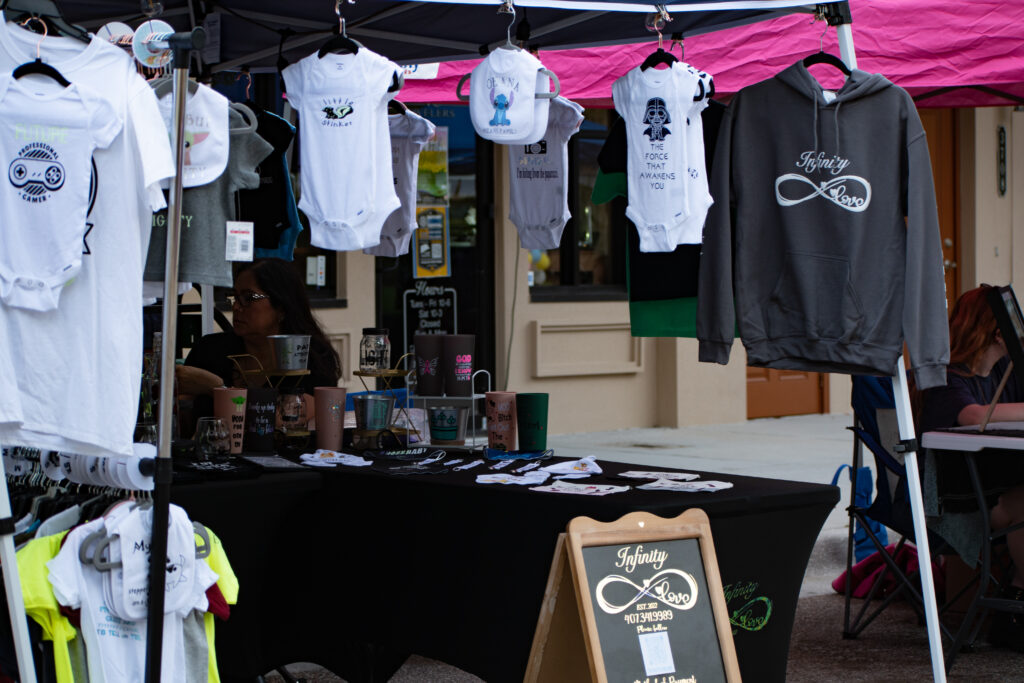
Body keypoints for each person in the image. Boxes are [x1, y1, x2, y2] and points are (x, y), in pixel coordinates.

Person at [918, 284, 1024, 651]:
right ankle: (1015, 607)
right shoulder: (948, 378)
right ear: (998, 333)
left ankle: (1014, 602)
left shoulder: (1004, 371)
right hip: (956, 498)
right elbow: (974, 416)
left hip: (995, 486)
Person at [176, 258, 341, 403]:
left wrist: (218, 389)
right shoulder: (210, 350)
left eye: (248, 298)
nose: (236, 307)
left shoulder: (308, 357)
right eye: (235, 297)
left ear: (281, 307)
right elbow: (178, 408)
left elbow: (289, 417)